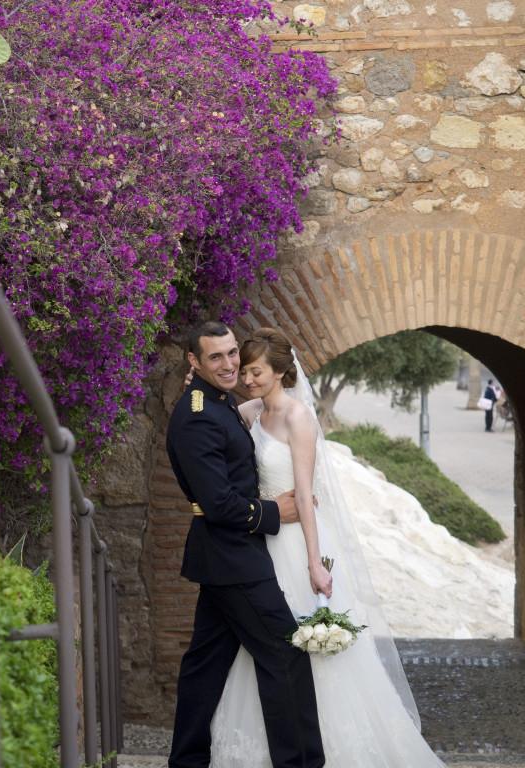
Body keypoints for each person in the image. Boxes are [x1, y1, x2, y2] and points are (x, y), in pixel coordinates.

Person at [209, 327, 444, 768]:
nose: (247, 378)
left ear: (280, 371)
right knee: (264, 643)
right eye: (246, 371)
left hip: (297, 543)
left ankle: (329, 747)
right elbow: (219, 424)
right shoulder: (250, 412)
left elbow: (304, 493)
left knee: (306, 642)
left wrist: (315, 563)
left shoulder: (299, 418)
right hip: (262, 541)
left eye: (256, 372)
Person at [165, 321, 325, 768]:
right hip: (233, 557)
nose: (230, 363)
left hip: (225, 557)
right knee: (285, 654)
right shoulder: (198, 415)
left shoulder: (219, 403)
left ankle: (187, 762)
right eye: (215, 357)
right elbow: (217, 503)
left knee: (204, 666)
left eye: (232, 352)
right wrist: (276, 512)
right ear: (194, 361)